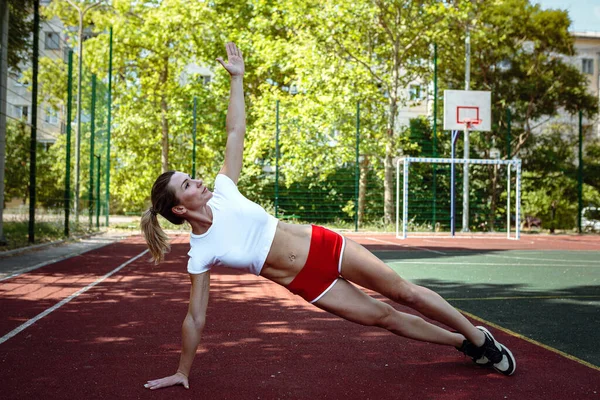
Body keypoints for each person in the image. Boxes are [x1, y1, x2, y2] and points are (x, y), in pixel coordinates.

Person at [140, 42, 516, 391]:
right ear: (179, 208)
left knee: (404, 293)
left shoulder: (225, 189)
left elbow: (235, 129)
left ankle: (481, 338)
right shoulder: (200, 253)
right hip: (308, 282)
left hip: (323, 245)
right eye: (188, 183)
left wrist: (237, 79)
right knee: (384, 317)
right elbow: (195, 318)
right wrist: (181, 371)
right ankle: (465, 344)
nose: (198, 180)